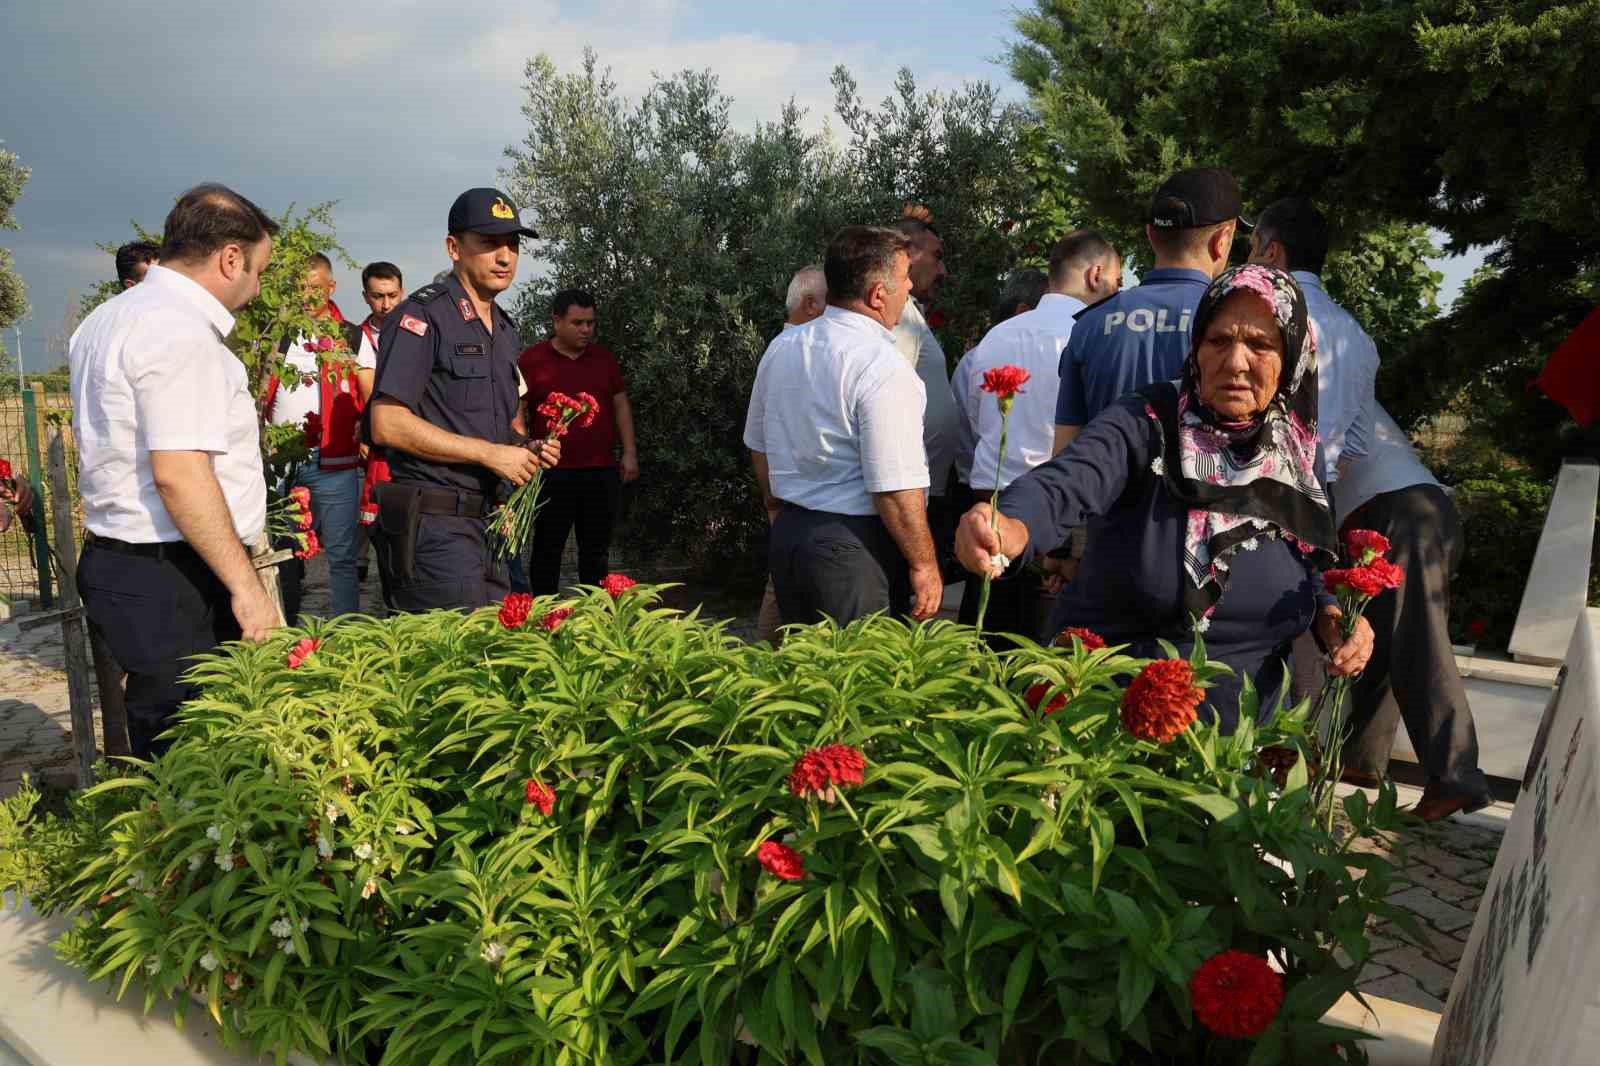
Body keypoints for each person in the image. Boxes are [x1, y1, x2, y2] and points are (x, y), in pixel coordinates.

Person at [956, 264, 1374, 731]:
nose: (1236, 362)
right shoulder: (1146, 421)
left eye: (1260, 344)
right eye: (1218, 341)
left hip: (1245, 728)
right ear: (1196, 346)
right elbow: (1068, 480)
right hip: (1119, 712)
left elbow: (1311, 559)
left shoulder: (1295, 451)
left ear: (1292, 355)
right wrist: (1009, 523)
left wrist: (1336, 616)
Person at [70, 182, 280, 758]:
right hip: (174, 571)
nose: (257, 288)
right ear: (229, 258)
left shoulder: (109, 317)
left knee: (171, 734)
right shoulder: (178, 330)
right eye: (258, 271)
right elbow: (180, 475)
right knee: (196, 752)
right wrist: (247, 589)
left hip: (127, 558)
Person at [367, 188, 560, 613]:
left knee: (491, 664)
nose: (505, 256)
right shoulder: (422, 317)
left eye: (512, 244)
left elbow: (493, 425)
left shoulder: (505, 331)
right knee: (455, 668)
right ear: (454, 248)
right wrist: (490, 454)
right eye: (489, 244)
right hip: (434, 529)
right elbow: (386, 423)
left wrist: (523, 450)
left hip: (489, 528)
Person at [745, 225, 941, 627]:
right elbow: (893, 485)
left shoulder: (783, 347)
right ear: (876, 295)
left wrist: (777, 512)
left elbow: (758, 445)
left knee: (803, 676)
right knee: (857, 682)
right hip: (853, 549)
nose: (909, 289)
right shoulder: (881, 365)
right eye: (904, 279)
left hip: (792, 537)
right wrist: (924, 564)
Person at [955, 231, 1122, 640]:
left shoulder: (998, 336)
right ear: (1096, 275)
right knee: (1053, 662)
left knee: (987, 647)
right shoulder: (1094, 335)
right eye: (1118, 282)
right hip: (1058, 515)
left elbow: (979, 421)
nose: (1119, 293)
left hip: (990, 508)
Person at [1055, 167, 1246, 453]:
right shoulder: (1238, 324)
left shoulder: (1088, 326)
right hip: (1201, 495)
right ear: (1222, 240)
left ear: (1150, 235)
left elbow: (1063, 454)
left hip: (1103, 496)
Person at [518, 289, 639, 595]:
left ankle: (595, 619)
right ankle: (545, 618)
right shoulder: (532, 360)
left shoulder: (604, 359)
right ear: (556, 321)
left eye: (590, 323)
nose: (586, 329)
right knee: (547, 549)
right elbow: (516, 409)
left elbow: (621, 404)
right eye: (578, 323)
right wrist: (523, 447)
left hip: (599, 471)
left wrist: (629, 452)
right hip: (551, 473)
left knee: (596, 553)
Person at [1247, 197, 1374, 484]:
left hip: (1252, 489)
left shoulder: (1256, 313)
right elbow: (1357, 445)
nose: (1248, 258)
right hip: (1319, 501)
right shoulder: (1359, 337)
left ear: (1271, 252)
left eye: (1252, 246)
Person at [266, 252, 363, 619]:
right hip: (280, 463)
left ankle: (346, 633)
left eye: (315, 287)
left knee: (340, 555)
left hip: (334, 463)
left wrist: (364, 430)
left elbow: (368, 392)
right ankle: (283, 629)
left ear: (332, 287)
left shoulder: (351, 335)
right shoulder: (278, 337)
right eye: (300, 287)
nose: (307, 295)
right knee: (283, 550)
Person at [753, 264, 828, 644]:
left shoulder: (780, 349)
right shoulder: (798, 351)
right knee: (789, 601)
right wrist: (771, 503)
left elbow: (757, 438)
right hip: (808, 509)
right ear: (811, 305)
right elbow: (758, 439)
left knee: (781, 593)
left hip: (794, 508)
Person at [892, 212, 962, 557]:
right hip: (907, 492)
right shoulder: (897, 315)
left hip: (921, 489)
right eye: (937, 257)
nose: (943, 271)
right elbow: (890, 401)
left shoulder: (909, 312)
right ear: (907, 254)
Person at [951, 269, 1051, 505]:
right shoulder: (976, 359)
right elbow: (973, 428)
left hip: (991, 487)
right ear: (1024, 312)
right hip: (989, 494)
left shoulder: (975, 357)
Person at [352, 261, 404, 602]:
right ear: (365, 297)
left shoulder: (419, 330)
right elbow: (365, 392)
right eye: (377, 297)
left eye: (393, 296)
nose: (386, 305)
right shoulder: (357, 337)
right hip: (372, 445)